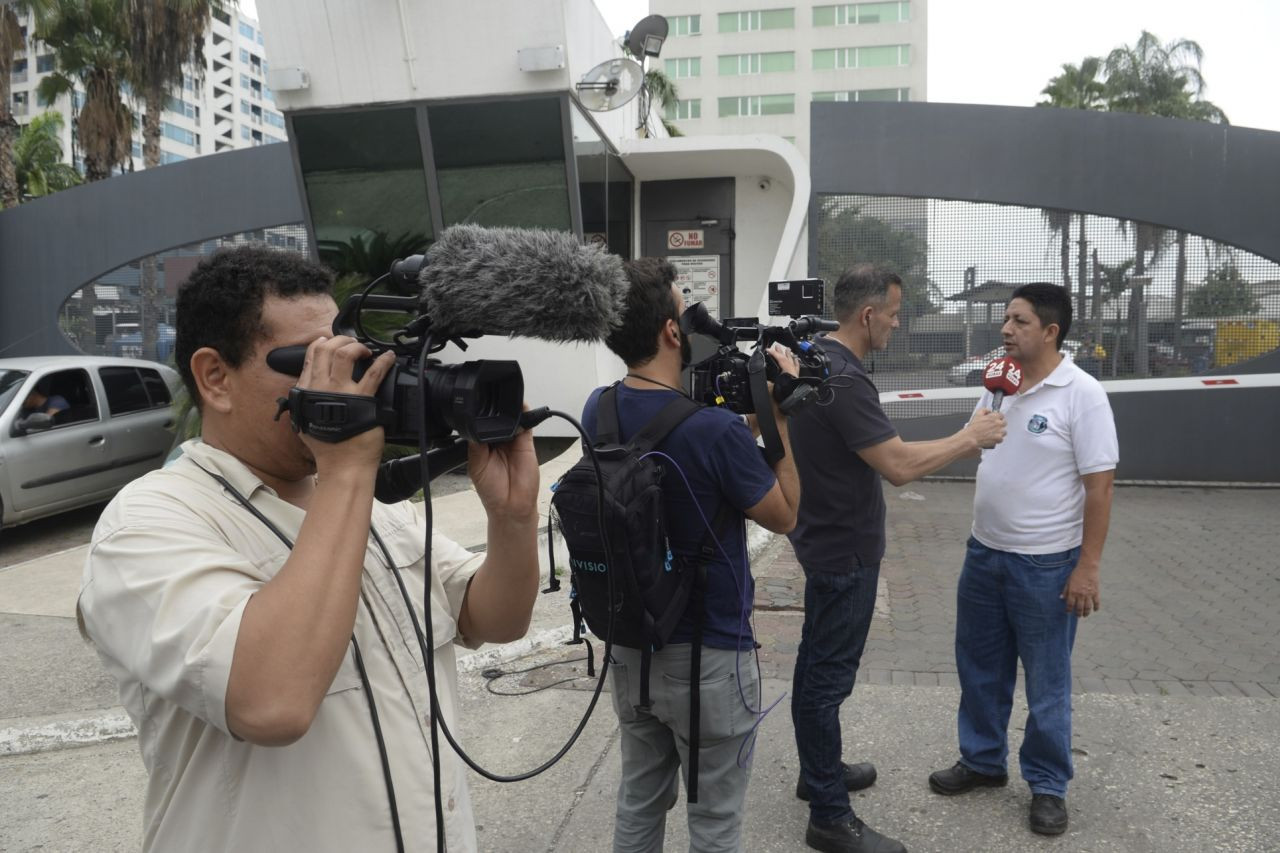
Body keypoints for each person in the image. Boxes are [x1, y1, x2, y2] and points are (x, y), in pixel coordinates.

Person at [77, 246, 542, 852]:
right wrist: (348, 467)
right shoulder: (147, 524)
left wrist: (512, 516)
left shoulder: (361, 502)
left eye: (343, 355)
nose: (339, 381)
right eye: (310, 362)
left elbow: (494, 619)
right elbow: (272, 702)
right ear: (215, 377)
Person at [581, 257, 802, 852]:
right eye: (686, 309)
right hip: (709, 657)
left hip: (631, 646)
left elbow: (683, 442)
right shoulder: (716, 431)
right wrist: (776, 421)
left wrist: (749, 421)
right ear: (672, 333)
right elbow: (784, 514)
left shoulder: (596, 410)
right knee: (714, 821)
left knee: (639, 801)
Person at [787, 264, 1008, 853]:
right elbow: (900, 467)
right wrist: (972, 437)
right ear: (867, 315)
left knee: (815, 668)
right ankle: (829, 818)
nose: (896, 321)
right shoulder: (844, 379)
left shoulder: (810, 360)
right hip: (844, 551)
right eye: (892, 311)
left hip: (819, 540)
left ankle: (818, 774)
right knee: (826, 683)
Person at [928, 283, 1117, 837]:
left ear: (1051, 331)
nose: (1006, 330)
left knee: (1047, 681)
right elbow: (980, 444)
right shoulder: (998, 385)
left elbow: (1100, 487)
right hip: (983, 554)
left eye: (1019, 321)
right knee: (979, 667)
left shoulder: (1082, 393)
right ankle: (983, 760)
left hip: (1046, 566)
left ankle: (1048, 784)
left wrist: (1088, 567)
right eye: (1007, 320)